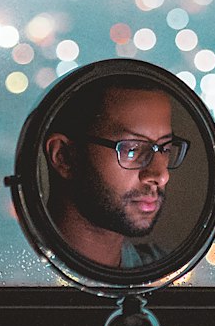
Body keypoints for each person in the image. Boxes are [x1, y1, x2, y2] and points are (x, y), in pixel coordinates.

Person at [44, 79, 187, 270]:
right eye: (132, 149)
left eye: (165, 149)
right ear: (64, 157)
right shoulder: (14, 278)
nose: (161, 176)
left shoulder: (172, 278)